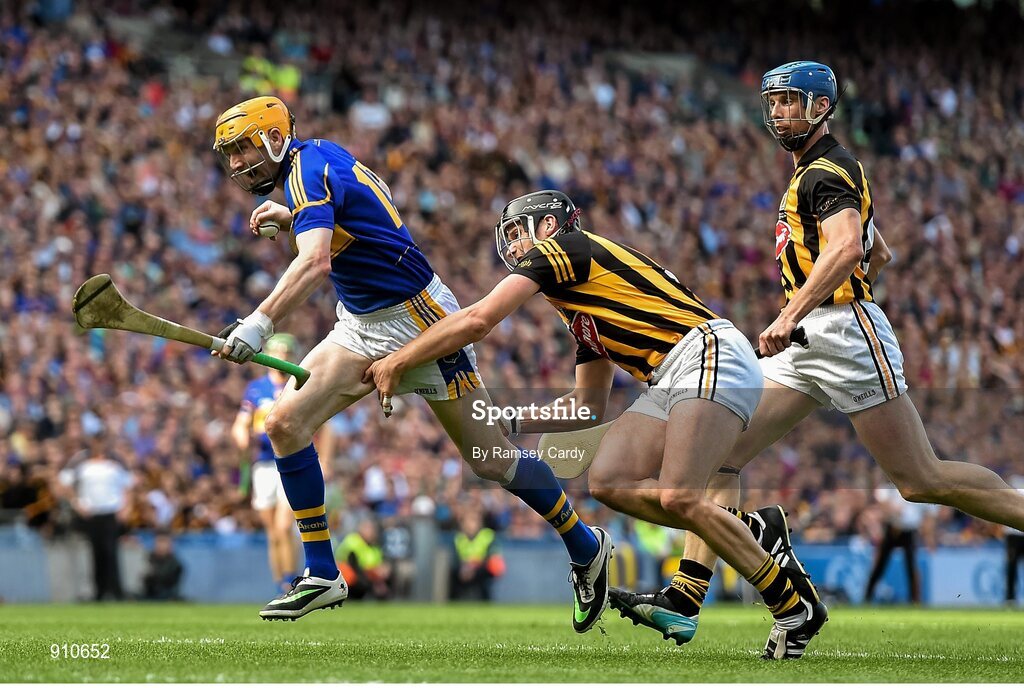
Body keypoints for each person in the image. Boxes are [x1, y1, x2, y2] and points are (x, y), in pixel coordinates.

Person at [613, 60, 1024, 649]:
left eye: (789, 100)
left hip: (842, 336)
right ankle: (688, 595)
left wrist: (789, 312)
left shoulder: (825, 169)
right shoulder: (816, 169)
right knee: (718, 452)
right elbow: (877, 250)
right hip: (811, 340)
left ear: (821, 106)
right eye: (772, 101)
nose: (777, 110)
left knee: (921, 480)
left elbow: (850, 245)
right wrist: (823, 297)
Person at [366, 189, 827, 660]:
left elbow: (479, 319)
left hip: (706, 353)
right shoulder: (580, 303)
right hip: (673, 373)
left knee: (680, 496)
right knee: (608, 478)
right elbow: (587, 405)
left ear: (548, 225)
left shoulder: (563, 249)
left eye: (514, 233)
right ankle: (751, 529)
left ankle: (792, 607)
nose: (511, 247)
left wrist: (399, 360)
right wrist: (515, 418)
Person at [211, 96, 611, 628]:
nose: (237, 163)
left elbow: (315, 263)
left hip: (420, 320)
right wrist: (295, 219)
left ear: (274, 137)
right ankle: (321, 573)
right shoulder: (312, 163)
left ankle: (585, 545)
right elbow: (364, 225)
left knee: (492, 460)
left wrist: (258, 323)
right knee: (283, 423)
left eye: (243, 148)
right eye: (229, 154)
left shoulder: (306, 170)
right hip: (360, 322)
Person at [231, 333, 303, 592]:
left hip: (289, 460)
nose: (282, 359)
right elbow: (241, 423)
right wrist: (240, 436)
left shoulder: (299, 384)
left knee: (285, 526)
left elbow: (325, 429)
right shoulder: (255, 389)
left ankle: (292, 577)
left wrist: (325, 460)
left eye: (287, 354)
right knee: (273, 531)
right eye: (278, 354)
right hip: (262, 464)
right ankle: (281, 585)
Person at [58, 432, 133, 601]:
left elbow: (127, 485)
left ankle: (115, 591)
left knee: (111, 552)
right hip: (91, 513)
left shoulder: (116, 460)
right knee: (95, 553)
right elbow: (65, 482)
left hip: (111, 511)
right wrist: (77, 503)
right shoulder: (80, 460)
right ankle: (98, 592)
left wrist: (126, 507)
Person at [450, 507, 505, 602]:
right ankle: (453, 602)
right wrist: (464, 568)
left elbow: (493, 557)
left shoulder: (487, 535)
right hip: (464, 570)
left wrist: (474, 566)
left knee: (485, 571)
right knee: (453, 574)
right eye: (468, 521)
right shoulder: (459, 538)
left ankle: (486, 603)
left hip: (481, 569)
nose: (471, 525)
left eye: (474, 521)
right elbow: (455, 560)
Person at [142, 531, 184, 601]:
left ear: (170, 544)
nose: (160, 545)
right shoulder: (148, 558)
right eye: (158, 541)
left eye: (164, 542)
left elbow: (165, 582)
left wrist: (151, 573)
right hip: (147, 597)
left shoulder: (175, 564)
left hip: (166, 597)